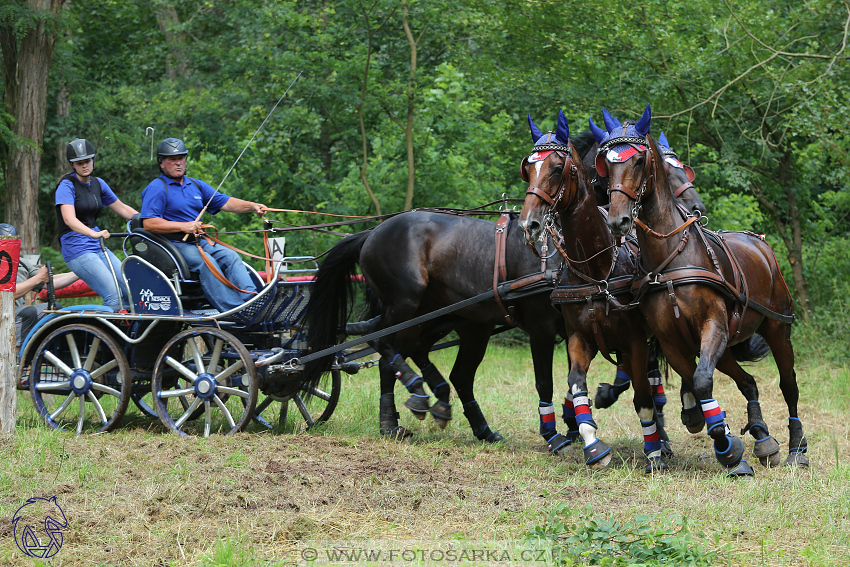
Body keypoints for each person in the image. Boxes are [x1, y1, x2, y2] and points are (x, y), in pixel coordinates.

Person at [140, 138, 267, 311]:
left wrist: (252, 206)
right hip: (174, 245)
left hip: (200, 241)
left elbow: (227, 202)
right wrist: (183, 226)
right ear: (162, 163)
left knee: (231, 257)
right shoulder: (157, 188)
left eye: (181, 158)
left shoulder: (196, 185)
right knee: (207, 263)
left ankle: (252, 302)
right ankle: (233, 309)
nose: (178, 163)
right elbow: (149, 223)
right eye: (172, 159)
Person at [55, 138, 138, 310]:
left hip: (97, 245)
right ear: (72, 164)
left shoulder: (98, 184)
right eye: (79, 163)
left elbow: (122, 208)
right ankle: (104, 336)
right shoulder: (67, 185)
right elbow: (69, 219)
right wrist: (93, 233)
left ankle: (130, 333)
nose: (84, 165)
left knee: (130, 290)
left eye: (87, 161)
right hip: (77, 249)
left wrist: (147, 222)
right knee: (114, 296)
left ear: (93, 160)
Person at [0, 223, 79, 352]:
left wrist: (79, 272)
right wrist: (37, 279)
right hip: (4, 312)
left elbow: (50, 282)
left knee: (55, 309)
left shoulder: (21, 263)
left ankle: (42, 353)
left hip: (16, 313)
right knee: (28, 312)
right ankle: (17, 355)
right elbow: (5, 295)